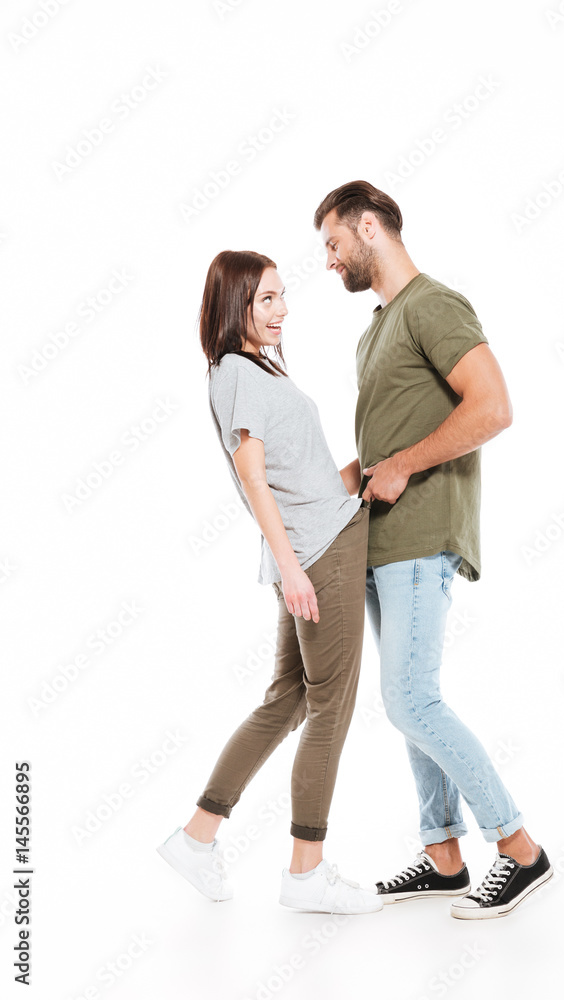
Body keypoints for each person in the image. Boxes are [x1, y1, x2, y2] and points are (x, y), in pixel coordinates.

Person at [313, 181, 553, 919]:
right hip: (379, 542)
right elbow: (378, 456)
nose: (327, 262)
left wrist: (405, 465)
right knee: (406, 702)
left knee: (409, 698)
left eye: (332, 243)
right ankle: (443, 855)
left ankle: (518, 849)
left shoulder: (433, 305)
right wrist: (326, 484)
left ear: (368, 226)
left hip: (421, 535)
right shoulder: (374, 330)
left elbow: (493, 407)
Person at [157, 250, 381, 915]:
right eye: (265, 301)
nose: (282, 310)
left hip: (317, 540)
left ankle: (197, 839)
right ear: (235, 308)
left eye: (282, 297)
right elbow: (254, 479)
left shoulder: (252, 369)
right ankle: (305, 872)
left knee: (288, 698)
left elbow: (295, 478)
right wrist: (291, 570)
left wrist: (358, 473)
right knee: (331, 705)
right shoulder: (235, 372)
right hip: (319, 555)